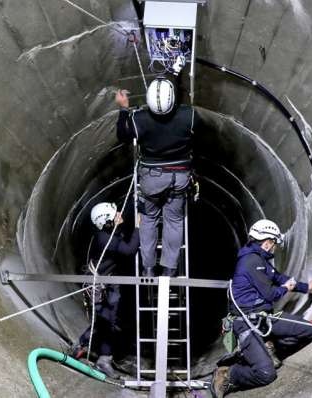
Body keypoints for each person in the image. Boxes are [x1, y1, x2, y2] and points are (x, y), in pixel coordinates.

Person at [210, 219, 312, 397]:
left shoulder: (260, 259)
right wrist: (286, 289)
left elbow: (279, 277)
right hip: (245, 323)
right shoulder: (251, 262)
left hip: (263, 317)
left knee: (308, 331)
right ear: (267, 242)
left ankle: (270, 348)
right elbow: (271, 294)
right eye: (275, 243)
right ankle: (228, 374)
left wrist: (305, 287)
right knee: (266, 374)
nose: (275, 247)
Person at [115, 77, 197, 277]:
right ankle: (169, 269)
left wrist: (124, 109)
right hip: (179, 177)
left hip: (152, 179)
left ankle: (149, 268)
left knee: (149, 218)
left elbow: (122, 135)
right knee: (174, 220)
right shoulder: (189, 115)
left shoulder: (139, 119)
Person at [71, 202, 139, 378]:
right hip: (98, 285)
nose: (119, 213)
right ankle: (101, 358)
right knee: (106, 322)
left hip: (108, 283)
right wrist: (139, 227)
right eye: (114, 213)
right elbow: (129, 250)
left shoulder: (108, 233)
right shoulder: (104, 238)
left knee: (107, 321)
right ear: (107, 221)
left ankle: (84, 347)